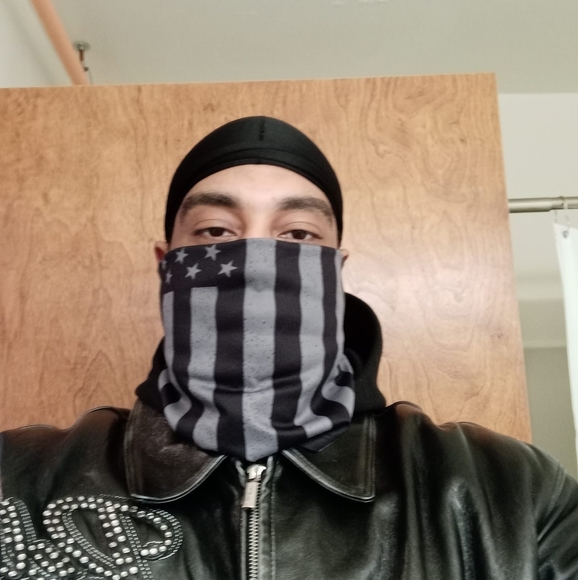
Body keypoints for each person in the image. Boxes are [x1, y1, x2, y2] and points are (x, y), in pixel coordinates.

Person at [1, 116, 577, 580]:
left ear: (335, 268)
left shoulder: (510, 490)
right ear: (166, 264)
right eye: (216, 232)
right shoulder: (19, 481)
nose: (256, 258)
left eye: (298, 235)